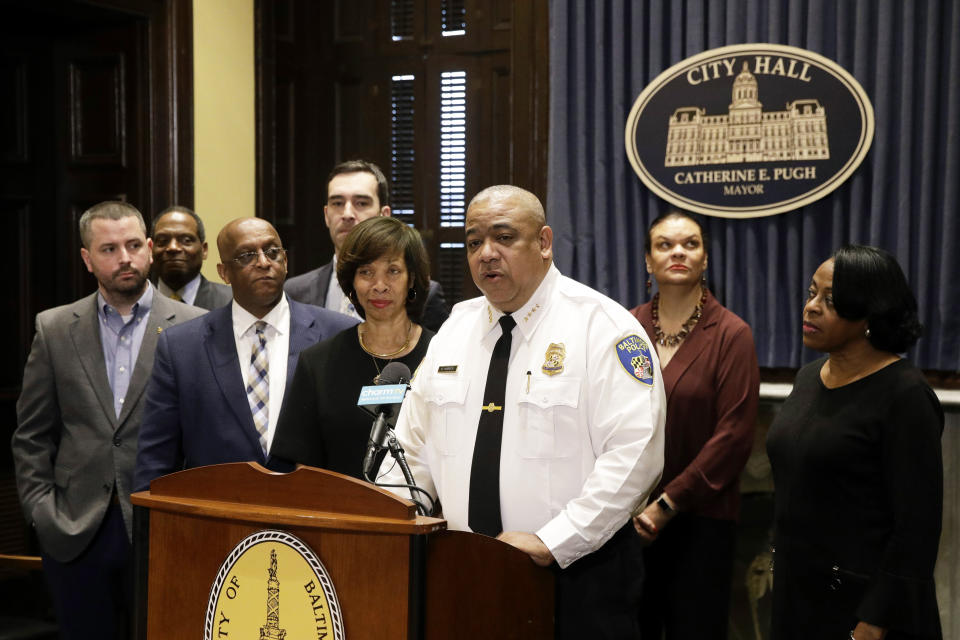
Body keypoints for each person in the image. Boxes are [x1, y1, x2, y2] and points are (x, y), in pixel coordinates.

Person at [377, 185, 666, 639]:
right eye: (474, 242)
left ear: (545, 243)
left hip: (576, 578)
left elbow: (635, 456)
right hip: (466, 573)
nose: (487, 253)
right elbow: (412, 449)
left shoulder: (603, 328)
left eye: (504, 237)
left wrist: (555, 540)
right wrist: (387, 522)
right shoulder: (454, 331)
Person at [11, 201, 205, 639]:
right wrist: (41, 512)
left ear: (151, 249)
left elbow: (203, 434)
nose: (125, 258)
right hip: (75, 528)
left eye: (135, 245)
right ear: (87, 259)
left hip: (163, 527)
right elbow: (31, 435)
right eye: (109, 249)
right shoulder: (55, 328)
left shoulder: (196, 327)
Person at [766, 245, 943, 640]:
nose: (811, 307)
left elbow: (917, 525)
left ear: (869, 313)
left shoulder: (905, 395)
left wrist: (877, 617)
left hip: (865, 609)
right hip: (798, 596)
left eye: (830, 300)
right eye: (811, 293)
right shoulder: (808, 378)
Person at [133, 217, 357, 491]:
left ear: (285, 261)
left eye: (272, 252)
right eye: (247, 256)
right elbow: (156, 459)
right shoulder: (181, 347)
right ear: (224, 272)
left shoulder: (338, 334)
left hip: (313, 516)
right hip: (217, 519)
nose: (263, 262)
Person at [629, 210, 759, 639]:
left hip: (702, 519)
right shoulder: (624, 328)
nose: (678, 252)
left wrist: (666, 505)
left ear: (705, 259)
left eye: (690, 244)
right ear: (648, 261)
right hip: (627, 519)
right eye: (664, 245)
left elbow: (734, 437)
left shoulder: (732, 334)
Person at [271, 217, 435, 478]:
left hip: (424, 515)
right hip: (340, 514)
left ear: (412, 279)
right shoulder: (318, 362)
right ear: (351, 283)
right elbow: (304, 468)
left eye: (393, 271)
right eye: (366, 272)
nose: (379, 285)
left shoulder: (441, 357)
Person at [284, 159, 449, 331]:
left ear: (384, 215)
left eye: (361, 203)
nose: (347, 214)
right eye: (337, 203)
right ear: (326, 215)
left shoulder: (424, 295)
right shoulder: (296, 292)